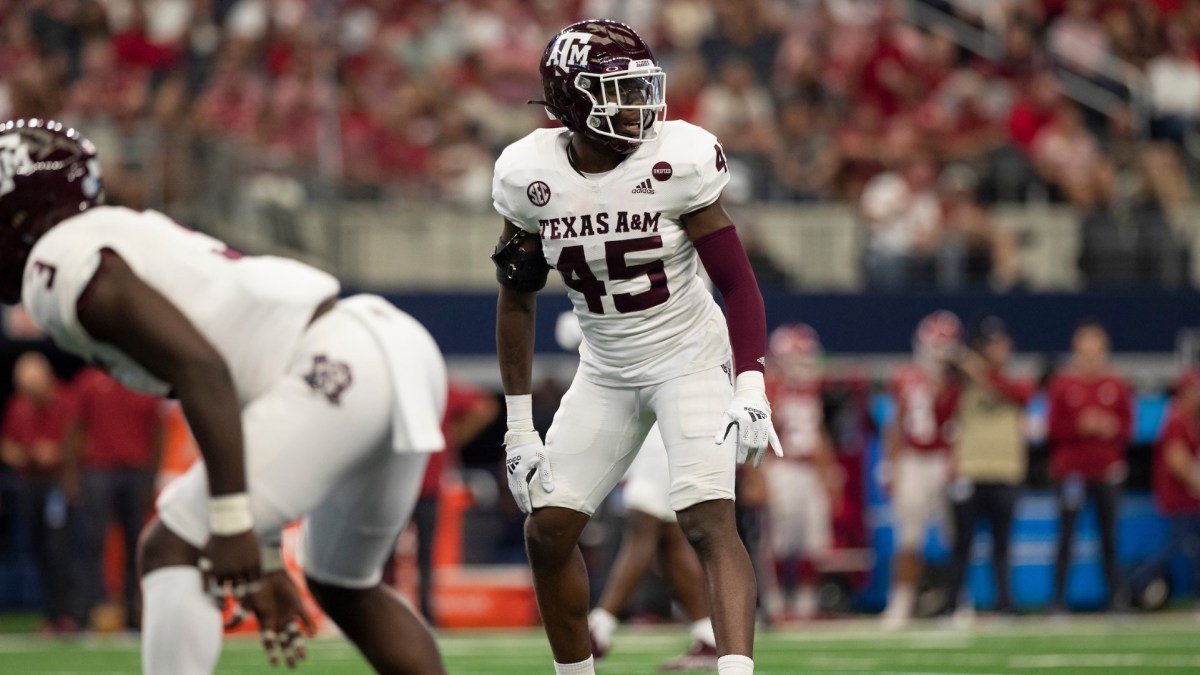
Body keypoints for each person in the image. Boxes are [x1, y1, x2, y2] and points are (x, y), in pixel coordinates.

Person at [1, 119, 448, 674]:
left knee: (172, 546)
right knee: (344, 585)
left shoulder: (59, 261)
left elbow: (202, 368)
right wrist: (258, 550)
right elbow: (236, 377)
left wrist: (232, 522)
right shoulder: (112, 234)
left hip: (336, 362)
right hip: (391, 350)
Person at [492, 20, 780, 675]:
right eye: (617, 91)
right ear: (571, 101)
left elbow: (737, 281)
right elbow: (516, 296)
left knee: (708, 519)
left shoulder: (676, 158)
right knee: (548, 530)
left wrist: (751, 382)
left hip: (688, 357)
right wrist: (517, 425)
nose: (639, 106)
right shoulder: (527, 176)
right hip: (607, 370)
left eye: (640, 88)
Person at [941, 317, 1033, 621]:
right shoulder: (963, 383)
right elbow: (941, 411)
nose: (1001, 349)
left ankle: (1005, 603)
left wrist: (979, 371)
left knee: (1002, 543)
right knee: (962, 544)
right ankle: (952, 603)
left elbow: (1021, 394)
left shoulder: (1010, 379)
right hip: (971, 469)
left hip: (1005, 469)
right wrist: (956, 373)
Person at [62, 366, 163, 631]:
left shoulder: (143, 380)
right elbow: (74, 427)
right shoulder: (90, 380)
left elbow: (158, 431)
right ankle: (86, 612)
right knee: (90, 544)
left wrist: (152, 479)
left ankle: (133, 614)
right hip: (99, 470)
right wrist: (72, 476)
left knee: (137, 546)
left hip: (136, 470)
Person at [880, 311, 963, 630]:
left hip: (945, 459)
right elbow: (897, 424)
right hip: (914, 460)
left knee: (956, 535)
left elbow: (964, 423)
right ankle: (901, 602)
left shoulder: (958, 379)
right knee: (909, 537)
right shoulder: (905, 376)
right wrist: (890, 465)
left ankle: (958, 601)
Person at [1046, 321, 1131, 613]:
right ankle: (1057, 601)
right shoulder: (1063, 384)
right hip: (1072, 473)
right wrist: (1080, 425)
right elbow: (1052, 428)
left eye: (1096, 351)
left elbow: (1128, 428)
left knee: (1109, 538)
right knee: (1066, 537)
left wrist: (1110, 426)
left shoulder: (1117, 385)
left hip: (1107, 472)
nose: (1091, 357)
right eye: (1085, 351)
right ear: (1076, 352)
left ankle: (1115, 600)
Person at [762, 324, 840, 621]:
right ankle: (776, 603)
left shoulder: (811, 390)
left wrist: (829, 472)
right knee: (778, 540)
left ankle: (806, 603)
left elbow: (818, 433)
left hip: (808, 469)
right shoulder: (769, 388)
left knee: (813, 539)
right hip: (780, 467)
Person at [0, 351, 76, 633]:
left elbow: (82, 441)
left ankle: (70, 613)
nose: (30, 393)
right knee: (39, 550)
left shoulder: (68, 400)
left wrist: (56, 453)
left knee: (61, 550)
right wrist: (20, 454)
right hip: (28, 483)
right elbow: (6, 444)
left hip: (58, 484)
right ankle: (51, 614)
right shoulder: (18, 405)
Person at [1127, 369, 1200, 608]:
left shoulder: (1192, 419)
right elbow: (1176, 459)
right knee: (1179, 546)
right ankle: (1136, 581)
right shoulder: (1176, 418)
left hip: (1189, 498)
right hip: (1179, 497)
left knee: (1188, 547)